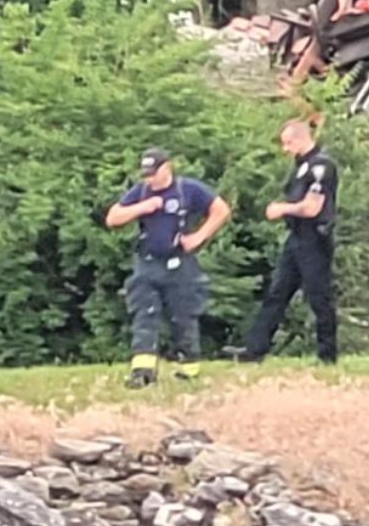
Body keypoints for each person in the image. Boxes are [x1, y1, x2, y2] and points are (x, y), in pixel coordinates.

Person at [104, 147, 230, 387]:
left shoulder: (188, 189)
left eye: (154, 173)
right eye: (146, 174)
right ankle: (142, 372)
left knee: (183, 315)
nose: (150, 178)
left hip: (180, 263)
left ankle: (188, 368)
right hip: (148, 262)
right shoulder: (140, 192)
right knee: (144, 313)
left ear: (167, 167)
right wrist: (142, 208)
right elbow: (113, 217)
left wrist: (199, 236)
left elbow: (220, 210)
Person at [230, 119, 340, 365]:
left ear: (301, 139)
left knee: (319, 297)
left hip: (315, 239)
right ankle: (254, 350)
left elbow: (313, 208)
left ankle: (327, 355)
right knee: (277, 293)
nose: (285, 149)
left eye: (288, 143)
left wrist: (283, 209)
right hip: (296, 238)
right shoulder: (301, 166)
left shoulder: (321, 166)